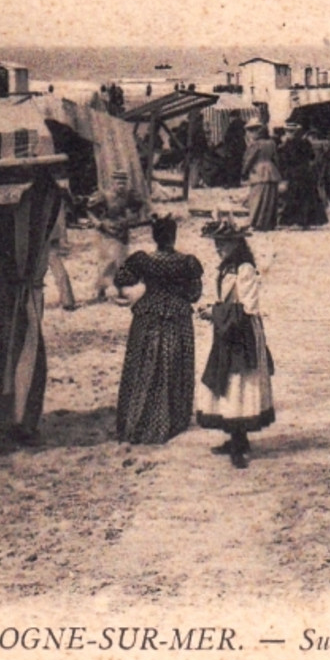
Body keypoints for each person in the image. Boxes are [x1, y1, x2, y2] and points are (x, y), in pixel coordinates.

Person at [114, 215, 204, 444]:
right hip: (177, 316)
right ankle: (173, 419)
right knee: (173, 367)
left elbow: (121, 278)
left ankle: (139, 419)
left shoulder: (143, 260)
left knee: (144, 366)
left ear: (154, 237)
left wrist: (145, 286)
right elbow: (194, 294)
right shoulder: (187, 262)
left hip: (148, 315)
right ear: (174, 236)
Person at [195, 223, 276, 469]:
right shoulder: (225, 268)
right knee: (227, 383)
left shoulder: (245, 269)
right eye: (217, 243)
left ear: (237, 244)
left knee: (240, 383)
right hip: (227, 330)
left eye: (224, 243)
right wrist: (214, 309)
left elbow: (249, 307)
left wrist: (215, 312)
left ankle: (240, 444)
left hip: (242, 334)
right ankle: (235, 438)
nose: (219, 248)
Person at [90, 174, 146, 303]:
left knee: (122, 262)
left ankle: (120, 289)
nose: (121, 186)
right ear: (112, 183)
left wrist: (132, 217)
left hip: (122, 231)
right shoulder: (103, 195)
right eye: (118, 183)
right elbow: (89, 211)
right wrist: (99, 223)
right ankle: (101, 290)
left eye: (123, 183)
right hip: (107, 231)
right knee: (107, 262)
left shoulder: (128, 195)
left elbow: (139, 205)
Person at [277, 125, 326, 228]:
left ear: (289, 132)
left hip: (294, 173)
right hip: (306, 172)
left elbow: (284, 161)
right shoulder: (305, 143)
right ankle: (307, 221)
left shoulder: (287, 145)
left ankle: (295, 220)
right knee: (308, 197)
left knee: (294, 197)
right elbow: (312, 156)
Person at [242, 121, 281, 232]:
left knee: (257, 198)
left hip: (258, 170)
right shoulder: (272, 143)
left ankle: (255, 222)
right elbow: (276, 158)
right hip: (271, 170)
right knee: (270, 198)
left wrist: (244, 172)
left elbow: (249, 159)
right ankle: (269, 223)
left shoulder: (255, 144)